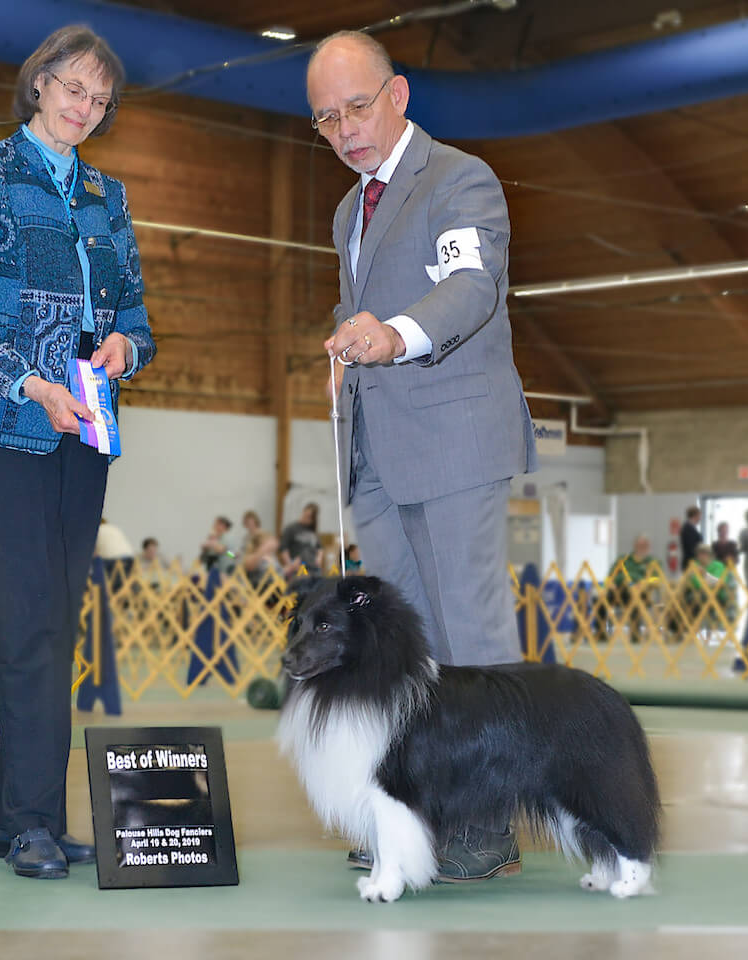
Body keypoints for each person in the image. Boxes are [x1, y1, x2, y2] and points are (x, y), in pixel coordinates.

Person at [0, 24, 155, 881]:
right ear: (39, 85)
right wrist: (31, 381)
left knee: (55, 628)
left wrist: (126, 349)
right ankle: (29, 822)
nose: (84, 107)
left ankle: (28, 823)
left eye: (99, 99)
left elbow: (133, 314)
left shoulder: (106, 195)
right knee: (24, 621)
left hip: (84, 432)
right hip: (0, 426)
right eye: (72, 88)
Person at [309, 30, 537, 882]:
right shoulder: (348, 209)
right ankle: (417, 818)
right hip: (375, 450)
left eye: (356, 107)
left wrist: (393, 334)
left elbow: (470, 288)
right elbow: (358, 299)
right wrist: (344, 342)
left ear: (398, 95)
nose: (343, 129)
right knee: (401, 649)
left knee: (470, 635)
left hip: (453, 439)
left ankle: (486, 821)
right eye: (325, 119)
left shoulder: (459, 179)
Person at [599, 534, 658, 643]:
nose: (642, 547)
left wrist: (644, 583)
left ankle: (635, 635)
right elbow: (609, 576)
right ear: (635, 546)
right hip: (617, 591)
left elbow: (657, 579)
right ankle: (600, 634)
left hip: (640, 592)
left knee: (634, 596)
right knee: (599, 599)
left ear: (648, 547)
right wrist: (609, 583)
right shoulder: (623, 559)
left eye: (645, 545)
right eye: (640, 545)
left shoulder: (652, 562)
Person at [279, 503, 320, 574]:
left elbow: (319, 548)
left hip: (312, 566)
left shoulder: (312, 532)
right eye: (306, 515)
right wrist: (290, 565)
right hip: (297, 566)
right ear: (303, 512)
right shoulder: (291, 528)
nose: (306, 518)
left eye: (310, 517)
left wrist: (319, 559)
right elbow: (283, 549)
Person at [679, 506, 702, 571]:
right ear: (695, 515)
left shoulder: (690, 528)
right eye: (699, 516)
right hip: (691, 562)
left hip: (691, 561)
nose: (700, 518)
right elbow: (691, 547)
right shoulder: (688, 529)